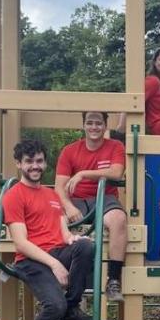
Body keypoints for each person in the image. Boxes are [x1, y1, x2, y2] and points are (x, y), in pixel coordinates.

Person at [5, 138, 96, 320]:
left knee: (86, 245)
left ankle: (71, 307)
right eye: (29, 162)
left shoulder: (51, 195)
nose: (35, 166)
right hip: (31, 259)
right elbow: (21, 243)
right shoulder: (14, 196)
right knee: (54, 306)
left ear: (45, 163)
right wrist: (54, 264)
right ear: (19, 164)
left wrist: (71, 238)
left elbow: (62, 230)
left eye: (39, 161)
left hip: (56, 251)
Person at [56, 112, 127, 302]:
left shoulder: (115, 146)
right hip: (77, 200)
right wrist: (69, 207)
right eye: (90, 123)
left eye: (98, 123)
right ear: (84, 126)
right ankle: (58, 276)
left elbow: (116, 172)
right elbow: (59, 187)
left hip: (105, 198)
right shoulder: (70, 151)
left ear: (105, 126)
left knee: (118, 219)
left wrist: (83, 174)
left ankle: (113, 279)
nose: (94, 127)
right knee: (55, 218)